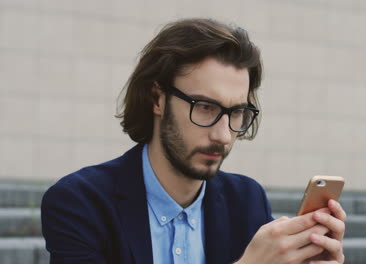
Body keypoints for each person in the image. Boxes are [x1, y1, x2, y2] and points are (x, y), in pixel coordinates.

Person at [41, 18, 346, 264]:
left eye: (236, 112)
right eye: (205, 107)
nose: (223, 135)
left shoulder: (247, 200)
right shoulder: (79, 203)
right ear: (157, 99)